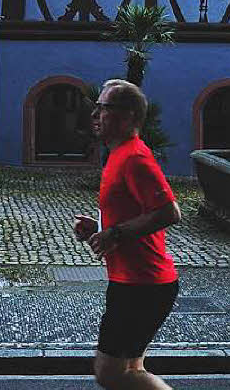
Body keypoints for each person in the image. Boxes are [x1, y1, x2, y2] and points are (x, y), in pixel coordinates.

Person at [72, 79, 181, 390]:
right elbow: (136, 213)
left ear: (128, 116)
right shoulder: (118, 155)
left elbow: (169, 212)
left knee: (112, 373)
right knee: (131, 370)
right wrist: (101, 229)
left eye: (103, 108)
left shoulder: (135, 158)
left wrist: (115, 233)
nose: (95, 114)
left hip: (143, 284)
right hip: (135, 281)